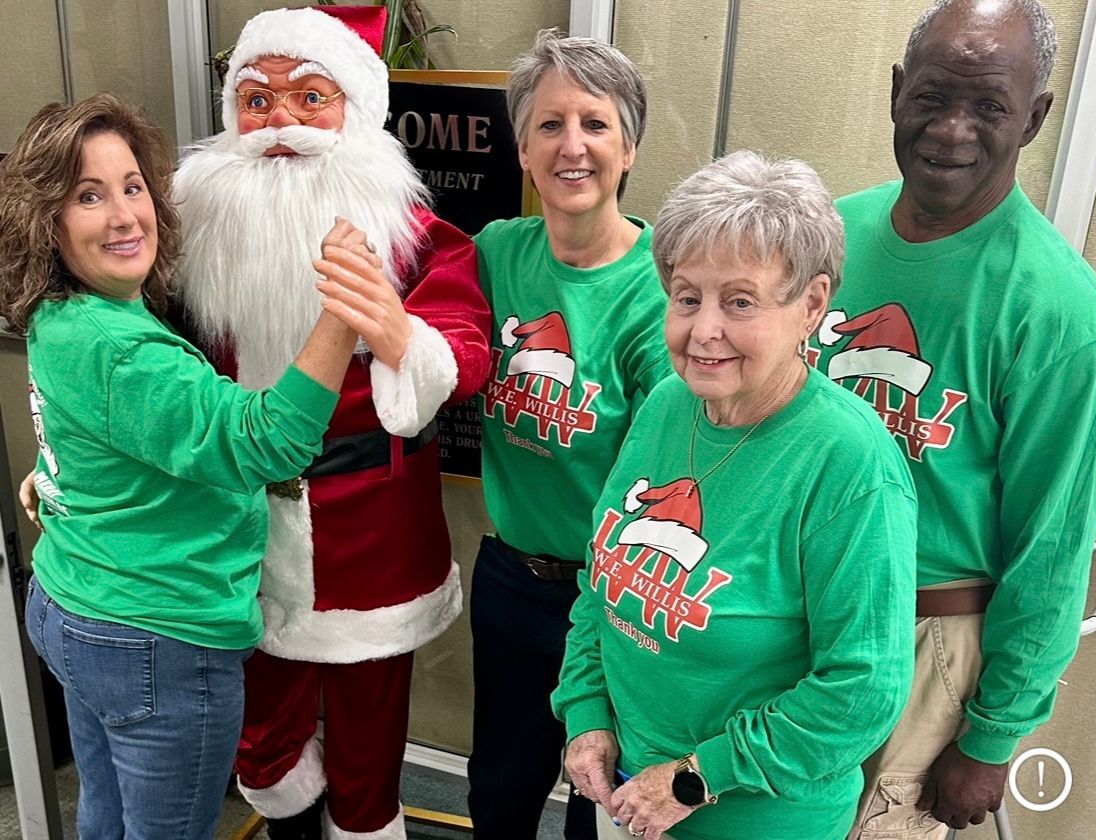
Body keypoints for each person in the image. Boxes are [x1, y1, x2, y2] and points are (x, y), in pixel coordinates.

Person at [0, 93, 385, 840]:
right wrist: (345, 306)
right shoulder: (124, 350)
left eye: (132, 186)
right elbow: (268, 440)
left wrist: (61, 475)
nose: (124, 215)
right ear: (47, 221)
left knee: (106, 814)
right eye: (89, 196)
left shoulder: (62, 312)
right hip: (154, 639)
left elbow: (102, 427)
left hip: (72, 600)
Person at [172, 6, 491, 839]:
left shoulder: (410, 234)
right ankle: (283, 802)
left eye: (309, 98)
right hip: (239, 526)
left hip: (372, 525)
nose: (280, 122)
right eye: (257, 100)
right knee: (261, 736)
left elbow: (465, 350)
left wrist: (398, 334)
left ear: (355, 111)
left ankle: (361, 823)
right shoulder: (195, 233)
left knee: (367, 733)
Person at [808, 1, 1096, 836]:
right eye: (932, 97)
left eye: (988, 106)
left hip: (925, 644)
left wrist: (992, 736)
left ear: (1034, 119)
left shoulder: (1060, 314)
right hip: (788, 607)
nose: (951, 131)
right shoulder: (827, 237)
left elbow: (1050, 548)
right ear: (894, 92)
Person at [551, 150, 917, 840]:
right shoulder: (667, 404)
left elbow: (861, 691)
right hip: (630, 796)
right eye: (687, 297)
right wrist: (587, 714)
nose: (703, 331)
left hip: (755, 818)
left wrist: (697, 776)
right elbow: (601, 582)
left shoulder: (848, 463)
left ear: (811, 305)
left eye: (740, 301)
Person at [467, 29, 673, 840]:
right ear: (522, 149)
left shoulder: (661, 294)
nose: (572, 145)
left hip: (616, 600)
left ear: (628, 149)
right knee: (499, 796)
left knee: (603, 812)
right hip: (510, 579)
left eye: (595, 124)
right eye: (549, 125)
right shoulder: (493, 254)